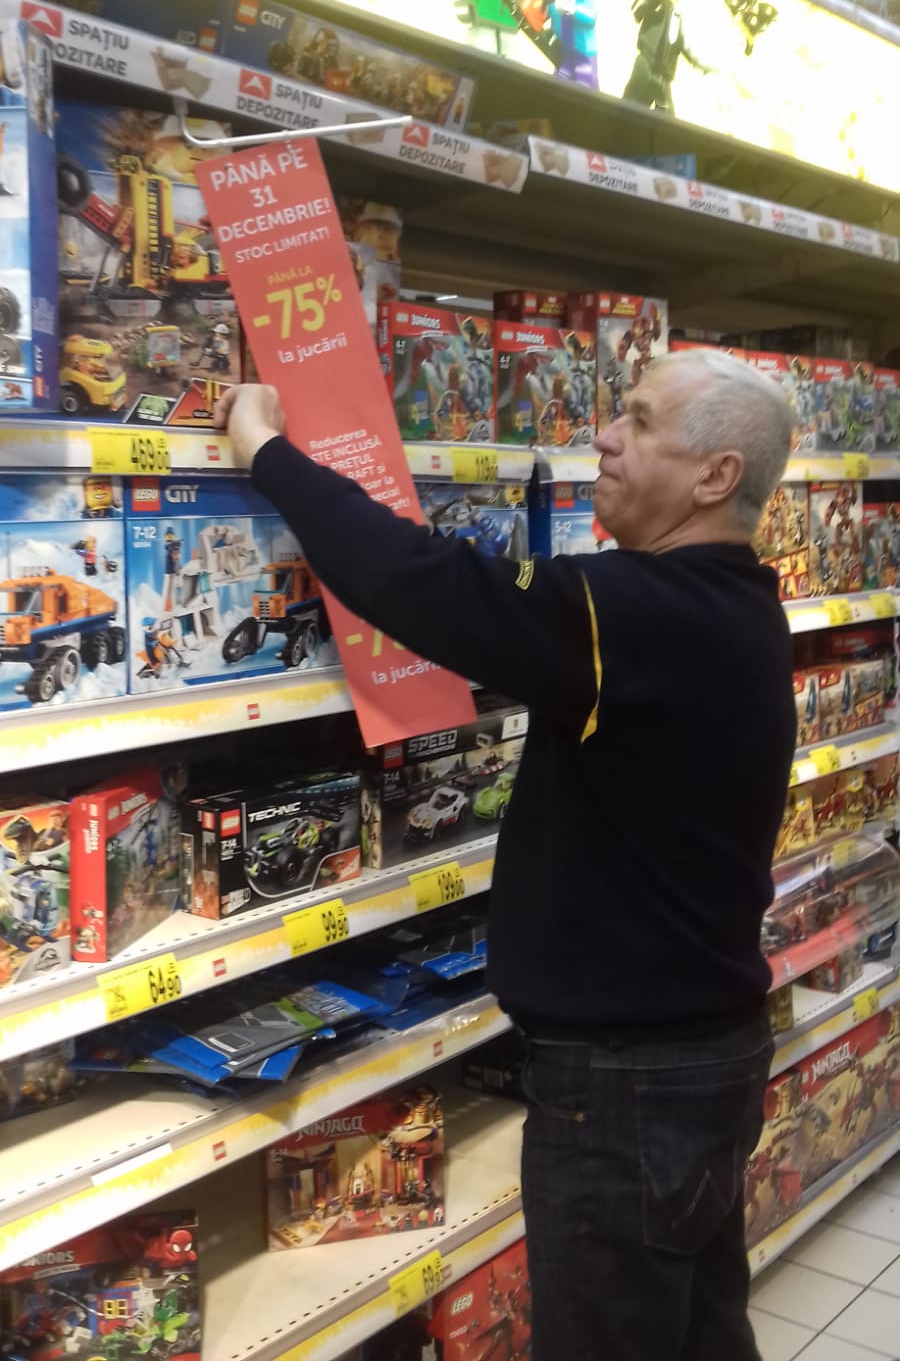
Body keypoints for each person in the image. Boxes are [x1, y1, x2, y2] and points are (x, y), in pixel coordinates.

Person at [215, 347, 796, 1361]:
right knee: (700, 1331)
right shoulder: (730, 601)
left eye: (639, 421)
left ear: (716, 476)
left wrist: (264, 447)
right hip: (701, 1058)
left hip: (627, 1087)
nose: (603, 437)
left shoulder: (639, 613)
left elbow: (423, 580)